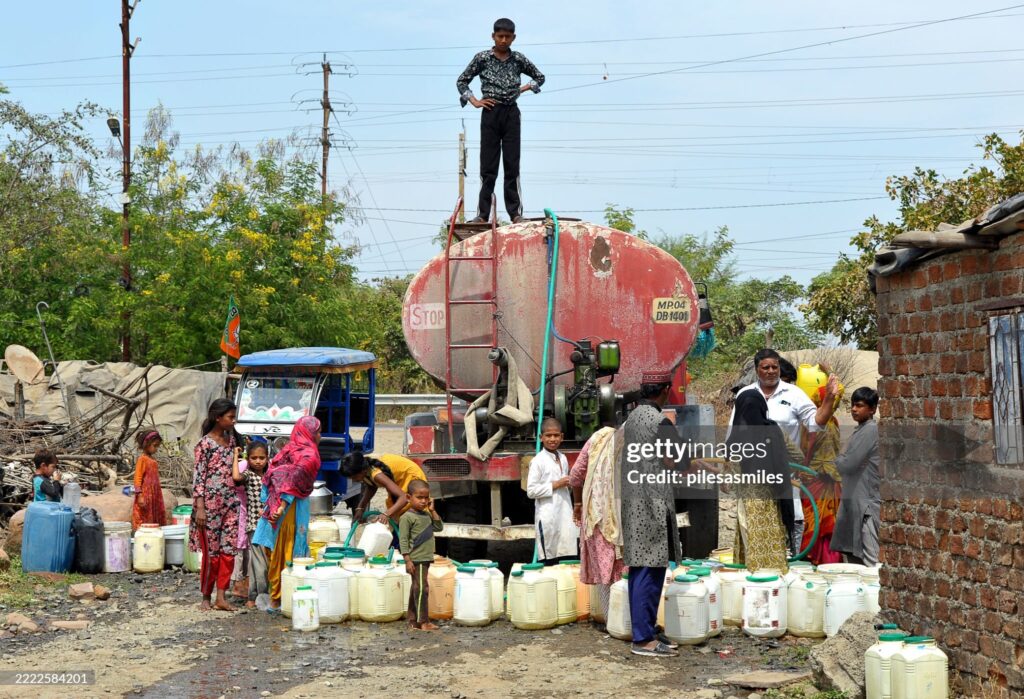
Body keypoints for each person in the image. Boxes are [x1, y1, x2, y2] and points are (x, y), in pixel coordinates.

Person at [730, 349, 839, 556]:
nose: (771, 371)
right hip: (751, 477)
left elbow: (815, 423)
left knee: (790, 521)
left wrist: (829, 400)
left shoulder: (794, 394)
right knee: (754, 526)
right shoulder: (746, 395)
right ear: (757, 370)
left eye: (775, 367)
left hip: (786, 475)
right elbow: (733, 434)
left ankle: (787, 562)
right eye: (766, 367)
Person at [456, 17, 545, 224]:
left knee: (512, 165)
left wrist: (524, 88)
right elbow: (462, 80)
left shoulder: (518, 60)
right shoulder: (482, 58)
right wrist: (474, 100)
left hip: (511, 114)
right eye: (500, 36)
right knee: (488, 166)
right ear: (493, 36)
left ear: (513, 38)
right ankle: (482, 214)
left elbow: (540, 77)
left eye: (507, 36)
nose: (503, 40)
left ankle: (515, 214)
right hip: (490, 112)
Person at [619, 371, 683, 657]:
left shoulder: (632, 418)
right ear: (665, 390)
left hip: (634, 499)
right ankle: (643, 639)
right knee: (651, 566)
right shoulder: (660, 421)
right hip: (651, 502)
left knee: (640, 566)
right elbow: (680, 459)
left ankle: (645, 628)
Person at [725, 391, 803, 574]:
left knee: (749, 543)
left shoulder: (734, 439)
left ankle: (750, 583)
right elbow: (798, 457)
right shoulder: (775, 431)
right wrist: (781, 467)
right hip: (772, 500)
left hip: (747, 505)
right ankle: (774, 582)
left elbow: (727, 482)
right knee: (772, 542)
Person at [252, 416, 322, 612]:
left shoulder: (289, 449)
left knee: (276, 551)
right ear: (308, 433)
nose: (320, 436)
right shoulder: (309, 455)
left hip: (276, 507)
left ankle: (279, 597)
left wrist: (270, 503)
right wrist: (281, 506)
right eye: (317, 432)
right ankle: (282, 598)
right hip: (290, 509)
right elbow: (292, 483)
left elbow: (272, 473)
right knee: (287, 550)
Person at [189, 398, 243, 611]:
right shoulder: (204, 444)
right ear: (218, 418)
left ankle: (221, 596)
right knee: (211, 554)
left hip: (230, 503)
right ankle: (206, 596)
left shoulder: (232, 442)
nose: (233, 420)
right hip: (209, 507)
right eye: (230, 417)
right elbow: (198, 477)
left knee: (228, 551)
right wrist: (200, 508)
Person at [569, 423, 625, 624]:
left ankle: (611, 620)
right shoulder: (635, 443)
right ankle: (625, 619)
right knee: (624, 568)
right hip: (626, 514)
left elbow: (575, 476)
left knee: (604, 571)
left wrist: (577, 503)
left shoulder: (596, 441)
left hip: (597, 515)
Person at [830, 387, 880, 566]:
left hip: (865, 504)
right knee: (853, 559)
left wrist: (840, 459)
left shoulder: (870, 430)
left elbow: (848, 464)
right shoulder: (859, 430)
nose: (854, 409)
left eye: (859, 406)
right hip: (854, 501)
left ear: (872, 409)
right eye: (852, 405)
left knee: (870, 560)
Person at [526, 417, 578, 565]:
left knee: (567, 556)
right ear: (541, 438)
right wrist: (557, 484)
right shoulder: (538, 461)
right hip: (548, 516)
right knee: (550, 558)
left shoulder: (563, 458)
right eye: (548, 436)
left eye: (556, 435)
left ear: (562, 437)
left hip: (564, 514)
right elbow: (531, 491)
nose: (552, 439)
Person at [399, 479, 444, 631]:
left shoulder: (426, 515)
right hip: (416, 558)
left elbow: (438, 527)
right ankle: (423, 621)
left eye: (426, 498)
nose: (423, 501)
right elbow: (403, 540)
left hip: (425, 558)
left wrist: (432, 510)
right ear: (408, 497)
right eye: (419, 497)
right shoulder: (407, 517)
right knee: (422, 588)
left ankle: (412, 620)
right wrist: (407, 559)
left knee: (416, 588)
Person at [231, 441, 270, 608]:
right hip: (254, 525)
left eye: (262, 458)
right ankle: (260, 595)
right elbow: (236, 478)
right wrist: (235, 457)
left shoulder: (269, 477)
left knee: (261, 563)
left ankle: (253, 597)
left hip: (269, 524)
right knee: (259, 564)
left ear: (267, 458)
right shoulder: (249, 475)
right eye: (254, 458)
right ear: (249, 459)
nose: (258, 461)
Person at [343, 452, 426, 526]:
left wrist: (386, 514)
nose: (353, 480)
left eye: (354, 477)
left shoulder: (377, 474)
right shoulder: (364, 468)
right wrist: (360, 508)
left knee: (407, 513)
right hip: (398, 480)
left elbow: (404, 498)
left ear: (362, 471)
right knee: (393, 510)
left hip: (411, 478)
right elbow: (371, 486)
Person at [131, 430, 166, 530]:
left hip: (154, 495)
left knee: (154, 518)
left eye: (157, 446)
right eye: (155, 446)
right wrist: (140, 495)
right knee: (144, 519)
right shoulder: (142, 459)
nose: (156, 449)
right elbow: (137, 478)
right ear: (146, 444)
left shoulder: (153, 460)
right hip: (145, 495)